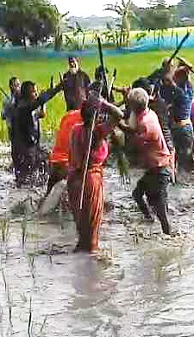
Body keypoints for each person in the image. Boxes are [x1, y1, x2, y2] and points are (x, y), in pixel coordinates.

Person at [67, 84, 124, 253]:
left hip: (74, 180)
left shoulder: (75, 130)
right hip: (90, 180)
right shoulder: (96, 133)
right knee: (91, 236)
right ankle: (91, 272)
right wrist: (104, 103)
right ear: (96, 115)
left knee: (81, 232)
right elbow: (119, 115)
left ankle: (79, 267)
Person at [127, 88, 174, 235]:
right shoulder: (149, 113)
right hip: (156, 168)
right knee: (137, 194)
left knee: (161, 211)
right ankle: (149, 219)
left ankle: (169, 237)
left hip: (160, 170)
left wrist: (116, 125)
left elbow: (133, 142)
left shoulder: (145, 124)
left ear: (133, 107)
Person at [160, 58, 194, 181]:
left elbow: (167, 79)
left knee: (188, 159)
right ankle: (176, 178)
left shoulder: (178, 91)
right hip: (186, 128)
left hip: (181, 129)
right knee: (182, 157)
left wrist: (167, 68)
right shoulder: (189, 89)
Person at [11, 79, 63, 186]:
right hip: (25, 151)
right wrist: (57, 88)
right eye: (34, 92)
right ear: (27, 94)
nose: (36, 93)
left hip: (28, 149)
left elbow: (40, 111)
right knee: (28, 177)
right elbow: (40, 100)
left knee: (43, 164)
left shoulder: (25, 107)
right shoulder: (24, 107)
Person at [46, 107, 82, 199]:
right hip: (66, 165)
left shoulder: (69, 115)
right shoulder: (86, 124)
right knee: (72, 201)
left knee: (46, 199)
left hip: (54, 162)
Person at [1, 77, 21, 142]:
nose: (18, 87)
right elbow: (3, 116)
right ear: (11, 86)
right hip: (11, 126)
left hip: (22, 125)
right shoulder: (7, 99)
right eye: (16, 85)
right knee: (14, 143)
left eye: (19, 85)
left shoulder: (23, 96)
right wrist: (9, 106)